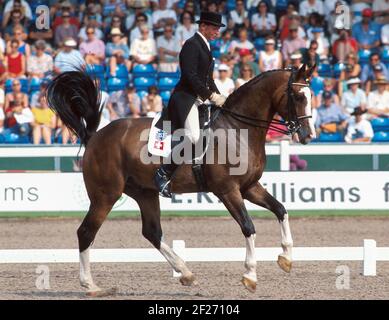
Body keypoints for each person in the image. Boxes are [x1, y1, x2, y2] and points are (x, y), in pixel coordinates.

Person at [154, 11, 226, 198]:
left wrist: (221, 97)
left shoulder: (206, 46)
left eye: (218, 28)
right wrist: (211, 95)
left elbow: (208, 79)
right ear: (203, 27)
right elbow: (190, 76)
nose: (217, 31)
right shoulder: (191, 45)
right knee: (193, 137)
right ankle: (163, 173)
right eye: (215, 28)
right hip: (185, 99)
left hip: (200, 100)